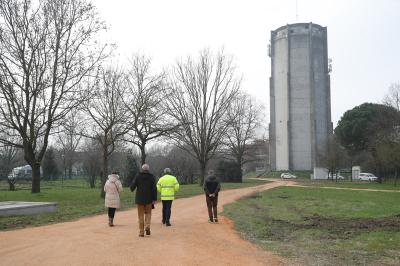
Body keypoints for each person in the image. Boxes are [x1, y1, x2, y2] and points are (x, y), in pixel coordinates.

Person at [130, 164, 157, 237]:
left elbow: (132, 187)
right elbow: (154, 188)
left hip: (140, 199)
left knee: (140, 215)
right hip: (149, 199)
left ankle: (141, 232)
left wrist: (132, 185)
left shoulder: (138, 176)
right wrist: (154, 199)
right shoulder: (151, 177)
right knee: (148, 214)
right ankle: (147, 226)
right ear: (148, 169)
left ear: (142, 169)